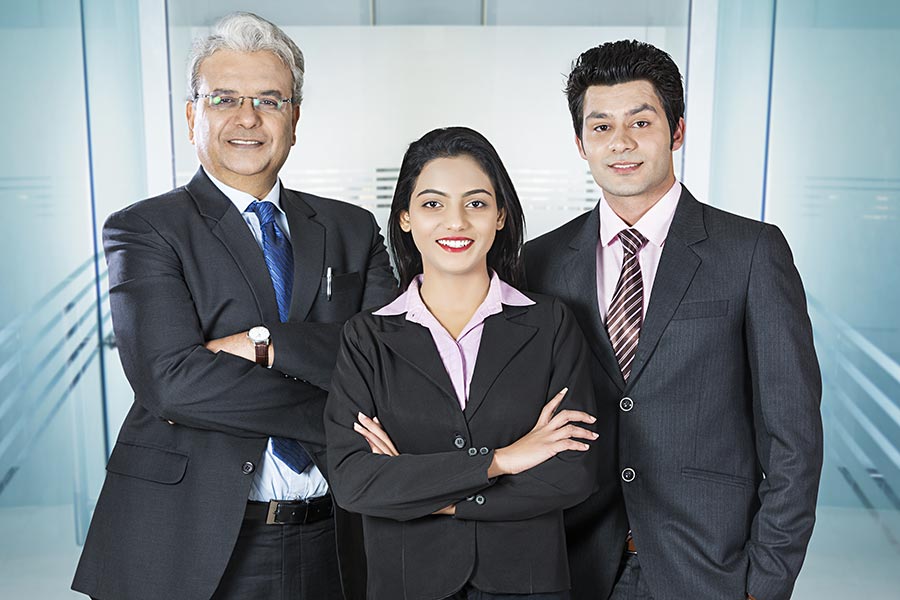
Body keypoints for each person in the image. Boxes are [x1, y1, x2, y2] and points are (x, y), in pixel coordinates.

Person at [71, 12, 396, 600]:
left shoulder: (351, 228)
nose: (248, 117)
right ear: (193, 114)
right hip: (191, 543)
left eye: (270, 100)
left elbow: (388, 364)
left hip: (336, 538)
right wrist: (339, 410)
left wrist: (263, 346)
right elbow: (173, 383)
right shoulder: (146, 230)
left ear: (294, 119)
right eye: (225, 98)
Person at [525, 40, 823, 600]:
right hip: (573, 567)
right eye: (601, 126)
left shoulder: (750, 252)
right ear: (580, 142)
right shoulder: (538, 264)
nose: (621, 142)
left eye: (642, 120)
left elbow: (795, 439)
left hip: (708, 569)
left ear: (677, 131)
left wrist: (766, 581)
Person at [324, 127, 599, 600]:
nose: (456, 222)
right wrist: (504, 460)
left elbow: (571, 473)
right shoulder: (366, 337)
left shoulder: (550, 324)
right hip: (407, 586)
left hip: (525, 586)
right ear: (406, 218)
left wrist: (424, 493)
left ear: (500, 217)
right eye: (433, 204)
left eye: (475, 203)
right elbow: (355, 483)